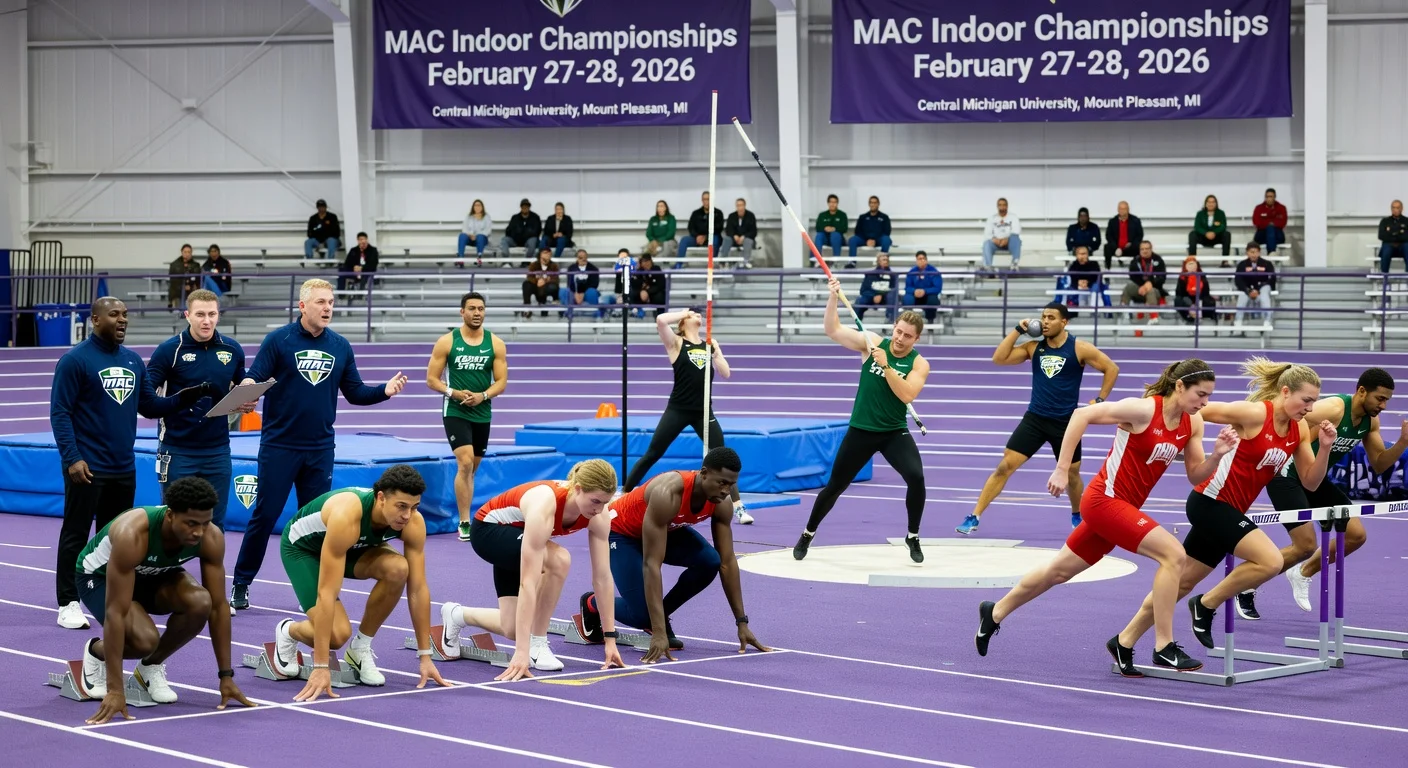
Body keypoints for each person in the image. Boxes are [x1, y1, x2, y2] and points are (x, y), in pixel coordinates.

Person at [974, 360, 1234, 676]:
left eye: (1208, 397)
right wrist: (1062, 468)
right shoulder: (1142, 411)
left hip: (1122, 511)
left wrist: (1218, 455)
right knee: (1174, 555)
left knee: (1058, 571)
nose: (1205, 403)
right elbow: (1081, 415)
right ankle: (1164, 645)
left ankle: (995, 612)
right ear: (1180, 386)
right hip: (1103, 501)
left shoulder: (1193, 424)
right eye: (1201, 395)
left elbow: (1196, 475)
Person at [1115, 358, 1337, 653]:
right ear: (1285, 392)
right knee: (1270, 561)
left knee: (1180, 584)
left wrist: (1325, 448)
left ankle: (1123, 641)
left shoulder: (1300, 431)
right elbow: (1197, 409)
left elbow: (1310, 482)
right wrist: (1149, 420)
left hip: (1230, 512)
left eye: (1314, 402)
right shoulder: (1254, 414)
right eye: (1305, 400)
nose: (1310, 408)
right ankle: (1206, 605)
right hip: (1210, 502)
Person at [230, 279, 409, 611]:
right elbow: (255, 375)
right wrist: (246, 387)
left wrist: (383, 391)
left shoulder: (340, 346)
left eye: (331, 302)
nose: (328, 308)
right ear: (303, 306)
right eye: (321, 302)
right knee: (265, 516)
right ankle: (241, 583)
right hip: (279, 447)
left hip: (320, 449)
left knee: (319, 524)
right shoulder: (278, 340)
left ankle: (317, 590)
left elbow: (355, 392)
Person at [51, 297, 214, 629]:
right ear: (95, 320)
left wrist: (188, 395)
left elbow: (150, 406)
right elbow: (61, 413)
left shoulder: (132, 361)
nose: (122, 320)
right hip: (87, 467)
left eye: (125, 315)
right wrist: (72, 458)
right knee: (76, 533)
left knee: (115, 538)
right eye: (114, 315)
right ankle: (68, 601)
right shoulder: (74, 361)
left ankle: (110, 593)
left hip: (122, 467)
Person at [74, 478, 254, 724]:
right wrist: (115, 690)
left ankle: (149, 666)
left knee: (202, 602)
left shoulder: (210, 537)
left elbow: (220, 607)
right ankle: (96, 652)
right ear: (170, 515)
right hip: (99, 576)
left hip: (153, 573)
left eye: (205, 523)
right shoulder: (133, 533)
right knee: (145, 640)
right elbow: (116, 612)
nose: (198, 532)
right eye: (191, 524)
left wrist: (226, 676)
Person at [271, 465, 449, 700]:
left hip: (354, 546)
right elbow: (327, 592)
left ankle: (360, 648)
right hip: (305, 550)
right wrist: (321, 666)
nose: (407, 515)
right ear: (381, 498)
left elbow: (417, 589)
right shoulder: (348, 514)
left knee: (399, 569)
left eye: (414, 507)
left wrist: (425, 655)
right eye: (401, 506)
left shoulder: (413, 522)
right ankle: (289, 631)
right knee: (336, 636)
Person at [440, 460, 625, 682]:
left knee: (513, 628)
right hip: (490, 532)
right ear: (578, 489)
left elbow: (603, 578)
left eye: (604, 503)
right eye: (594, 501)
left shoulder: (600, 516)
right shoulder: (545, 504)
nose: (597, 509)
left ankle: (456, 614)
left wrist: (610, 639)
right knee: (559, 560)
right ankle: (538, 644)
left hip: (520, 535)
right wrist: (522, 651)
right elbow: (528, 581)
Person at [581, 448, 770, 662]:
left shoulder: (721, 504)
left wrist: (742, 622)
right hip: (621, 534)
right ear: (704, 473)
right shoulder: (668, 493)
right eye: (722, 483)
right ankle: (592, 602)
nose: (727, 490)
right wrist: (659, 631)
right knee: (642, 616)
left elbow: (727, 562)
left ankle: (657, 618)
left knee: (710, 561)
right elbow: (652, 564)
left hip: (665, 528)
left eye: (731, 484)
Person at [794, 278, 931, 563]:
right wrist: (833, 297)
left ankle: (913, 535)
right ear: (893, 328)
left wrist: (886, 366)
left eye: (907, 336)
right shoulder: (871, 343)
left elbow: (906, 394)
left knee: (916, 478)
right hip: (861, 430)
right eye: (898, 331)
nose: (899, 339)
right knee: (835, 486)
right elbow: (832, 330)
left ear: (916, 339)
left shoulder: (919, 364)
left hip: (893, 432)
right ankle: (808, 532)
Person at [956, 303, 1119, 535]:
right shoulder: (1034, 348)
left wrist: (1100, 400)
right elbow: (999, 358)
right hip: (1035, 419)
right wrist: (1017, 330)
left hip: (1065, 422)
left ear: (1064, 322)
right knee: (1004, 466)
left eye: (1051, 317)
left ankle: (1076, 515)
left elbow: (1111, 368)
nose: (1045, 321)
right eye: (1043, 317)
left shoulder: (1080, 348)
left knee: (1072, 473)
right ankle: (974, 516)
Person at [1268, 368, 1407, 615]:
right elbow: (1287, 415)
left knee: (1355, 535)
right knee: (1304, 545)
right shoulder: (1333, 408)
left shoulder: (1370, 421)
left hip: (1315, 479)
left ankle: (1302, 572)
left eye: (1387, 400)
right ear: (1362, 391)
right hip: (1285, 476)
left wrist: (1403, 442)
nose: (1383, 406)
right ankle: (1247, 583)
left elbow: (1379, 464)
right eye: (1380, 398)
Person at [622, 308, 750, 523]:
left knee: (722, 455)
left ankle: (738, 508)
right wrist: (683, 312)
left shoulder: (709, 344)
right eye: (694, 314)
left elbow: (726, 373)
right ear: (682, 322)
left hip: (703, 411)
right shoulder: (676, 343)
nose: (698, 316)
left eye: (700, 314)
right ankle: (624, 493)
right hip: (678, 409)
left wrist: (716, 352)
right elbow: (661, 320)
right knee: (653, 452)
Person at [147, 289, 248, 535]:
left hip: (218, 450)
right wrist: (177, 402)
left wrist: (246, 398)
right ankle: (167, 573)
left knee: (215, 526)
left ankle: (211, 573)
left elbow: (242, 385)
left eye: (212, 314)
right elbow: (146, 395)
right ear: (187, 316)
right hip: (178, 449)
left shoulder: (233, 350)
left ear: (219, 315)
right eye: (200, 314)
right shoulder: (169, 350)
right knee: (173, 522)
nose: (207, 320)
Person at [425, 292, 509, 542]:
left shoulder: (495, 343)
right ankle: (464, 521)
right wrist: (453, 393)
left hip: (482, 411)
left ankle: (465, 511)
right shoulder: (447, 342)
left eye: (481, 308)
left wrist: (483, 395)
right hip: (455, 410)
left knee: (472, 469)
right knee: (464, 463)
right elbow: (431, 380)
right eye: (471, 308)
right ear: (462, 312)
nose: (477, 313)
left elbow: (502, 381)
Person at [1119, 241, 1168, 322]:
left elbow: (1162, 278)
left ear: (1151, 249)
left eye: (1147, 249)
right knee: (1128, 287)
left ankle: (1153, 318)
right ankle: (1125, 313)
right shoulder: (1136, 260)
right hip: (1140, 288)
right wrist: (1143, 285)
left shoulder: (1158, 260)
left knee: (1150, 291)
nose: (1144, 251)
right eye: (1142, 249)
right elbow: (1132, 276)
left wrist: (1150, 283)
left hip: (1155, 289)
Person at [1234, 242, 1276, 328]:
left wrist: (1258, 289)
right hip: (1248, 289)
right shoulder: (1242, 265)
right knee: (1242, 294)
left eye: (1256, 252)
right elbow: (1238, 280)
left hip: (1262, 288)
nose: (1254, 254)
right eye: (1251, 252)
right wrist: (1247, 290)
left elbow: (1272, 278)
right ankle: (1238, 320)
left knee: (1265, 293)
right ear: (1247, 253)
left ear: (1259, 252)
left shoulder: (1267, 264)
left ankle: (1267, 320)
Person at [678, 192, 724, 267]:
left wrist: (705, 236)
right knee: (684, 240)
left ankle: (711, 264)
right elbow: (691, 227)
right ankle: (679, 264)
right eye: (704, 199)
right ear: (702, 200)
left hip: (711, 237)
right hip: (697, 238)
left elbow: (719, 228)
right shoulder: (696, 213)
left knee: (715, 240)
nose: (706, 201)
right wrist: (697, 236)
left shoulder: (718, 213)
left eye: (708, 199)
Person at [849, 195, 893, 266]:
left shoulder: (884, 217)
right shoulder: (862, 217)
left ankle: (882, 262)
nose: (873, 204)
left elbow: (887, 231)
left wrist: (874, 240)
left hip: (879, 240)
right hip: (864, 239)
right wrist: (867, 240)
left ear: (878, 204)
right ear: (869, 204)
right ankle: (852, 262)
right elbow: (857, 231)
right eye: (871, 203)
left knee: (886, 240)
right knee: (852, 240)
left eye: (875, 203)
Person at [982, 198, 1022, 270]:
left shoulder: (1013, 217)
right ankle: (988, 267)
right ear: (997, 206)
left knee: (1016, 238)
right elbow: (987, 233)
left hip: (1009, 242)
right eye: (1000, 205)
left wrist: (1006, 239)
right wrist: (994, 240)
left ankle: (1014, 264)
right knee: (986, 243)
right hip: (996, 242)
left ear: (1007, 206)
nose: (1002, 207)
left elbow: (1016, 231)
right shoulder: (992, 218)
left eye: (1004, 205)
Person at [1174, 256, 1216, 324]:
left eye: (1193, 264)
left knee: (1209, 301)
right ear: (1186, 266)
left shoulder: (1202, 275)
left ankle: (1198, 315)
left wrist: (1197, 301)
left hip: (1200, 298)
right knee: (1179, 300)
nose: (1192, 266)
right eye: (1189, 264)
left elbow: (1206, 292)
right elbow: (1180, 293)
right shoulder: (1182, 277)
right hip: (1187, 299)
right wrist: (1191, 305)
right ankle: (1190, 315)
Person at [1103, 201, 1144, 270]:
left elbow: (1140, 235)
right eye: (1121, 209)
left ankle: (1136, 271)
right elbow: (1108, 236)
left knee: (1139, 247)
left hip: (1130, 248)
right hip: (1116, 248)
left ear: (1128, 210)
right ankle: (1107, 270)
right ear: (1118, 210)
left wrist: (1131, 243)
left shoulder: (1135, 220)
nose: (1122, 211)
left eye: (1124, 209)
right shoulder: (1112, 221)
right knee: (1107, 247)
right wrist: (1115, 247)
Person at [904, 251, 943, 322]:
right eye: (919, 259)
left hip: (928, 297)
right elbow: (907, 287)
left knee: (933, 299)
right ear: (916, 260)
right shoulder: (912, 271)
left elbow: (938, 288)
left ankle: (930, 321)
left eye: (923, 258)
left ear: (926, 260)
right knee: (907, 298)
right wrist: (914, 291)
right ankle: (907, 321)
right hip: (915, 297)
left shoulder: (933, 271)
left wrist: (925, 291)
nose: (922, 260)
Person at [558, 249, 601, 314]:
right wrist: (576, 293)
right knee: (563, 291)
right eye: (580, 257)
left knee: (592, 292)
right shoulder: (571, 268)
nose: (583, 259)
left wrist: (582, 293)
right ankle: (568, 313)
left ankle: (594, 313)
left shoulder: (593, 268)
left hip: (587, 291)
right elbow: (569, 283)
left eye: (585, 257)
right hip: (574, 292)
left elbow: (594, 284)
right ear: (577, 258)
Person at [719, 198, 757, 268]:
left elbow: (753, 231)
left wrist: (744, 236)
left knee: (748, 241)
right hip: (734, 240)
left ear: (745, 206)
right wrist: (734, 236)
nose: (740, 207)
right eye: (738, 205)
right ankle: (722, 261)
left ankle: (746, 261)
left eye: (741, 205)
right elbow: (728, 230)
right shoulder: (731, 216)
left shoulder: (751, 216)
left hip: (747, 239)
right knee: (727, 239)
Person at [500, 198, 542, 262]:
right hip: (515, 241)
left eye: (526, 206)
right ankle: (506, 261)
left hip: (528, 241)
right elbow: (508, 231)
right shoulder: (515, 218)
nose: (525, 207)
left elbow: (537, 231)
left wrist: (526, 232)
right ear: (521, 207)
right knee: (504, 240)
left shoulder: (535, 217)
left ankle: (526, 261)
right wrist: (516, 233)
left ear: (529, 207)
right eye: (523, 206)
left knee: (533, 240)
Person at [858, 253, 896, 322]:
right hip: (871, 296)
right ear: (878, 261)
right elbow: (863, 290)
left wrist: (881, 294)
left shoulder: (893, 275)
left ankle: (890, 321)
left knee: (892, 296)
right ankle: (857, 322)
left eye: (887, 260)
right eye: (884, 260)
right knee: (860, 300)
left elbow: (893, 289)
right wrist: (874, 295)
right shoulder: (870, 274)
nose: (886, 261)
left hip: (885, 298)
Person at [521, 248, 559, 318]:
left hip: (546, 287)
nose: (547, 255)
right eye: (545, 253)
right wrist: (537, 281)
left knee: (552, 287)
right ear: (540, 255)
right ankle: (527, 307)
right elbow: (529, 276)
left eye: (549, 253)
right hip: (536, 286)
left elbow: (556, 279)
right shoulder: (534, 265)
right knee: (526, 284)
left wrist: (544, 281)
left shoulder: (554, 266)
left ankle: (545, 303)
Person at [457, 199, 492, 266]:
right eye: (475, 205)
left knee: (480, 237)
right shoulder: (469, 216)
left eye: (479, 205)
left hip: (482, 239)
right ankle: (461, 259)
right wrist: (470, 235)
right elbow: (464, 228)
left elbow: (488, 230)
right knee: (462, 236)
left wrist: (477, 235)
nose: (477, 207)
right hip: (471, 238)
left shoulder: (486, 217)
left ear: (482, 207)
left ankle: (479, 258)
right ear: (473, 207)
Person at [813, 194, 847, 262]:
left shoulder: (842, 215)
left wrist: (834, 229)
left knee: (835, 234)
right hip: (825, 238)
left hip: (838, 239)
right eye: (831, 202)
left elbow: (844, 228)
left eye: (834, 202)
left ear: (837, 203)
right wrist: (825, 228)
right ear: (828, 203)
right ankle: (818, 261)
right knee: (819, 236)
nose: (832, 204)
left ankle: (836, 261)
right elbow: (818, 227)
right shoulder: (822, 215)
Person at [1252, 188, 1288, 254]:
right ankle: (1272, 253)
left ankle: (1271, 253)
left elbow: (1282, 223)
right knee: (1270, 228)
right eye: (1267, 196)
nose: (1269, 199)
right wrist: (1271, 223)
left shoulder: (1281, 208)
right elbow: (1256, 222)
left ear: (1275, 197)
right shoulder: (1259, 208)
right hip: (1262, 234)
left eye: (1271, 196)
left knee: (1271, 229)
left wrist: (1266, 221)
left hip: (1277, 235)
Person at [167, 244, 202, 309]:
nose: (187, 254)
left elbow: (197, 278)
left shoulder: (196, 265)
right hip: (177, 289)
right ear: (182, 252)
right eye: (185, 252)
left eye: (189, 252)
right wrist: (183, 286)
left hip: (192, 288)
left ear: (191, 253)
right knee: (177, 294)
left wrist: (190, 285)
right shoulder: (174, 265)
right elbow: (173, 279)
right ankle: (178, 309)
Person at [1376, 200, 1407, 273]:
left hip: (1403, 246)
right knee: (1386, 249)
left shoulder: (1406, 221)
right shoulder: (1385, 221)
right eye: (1393, 207)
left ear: (1402, 208)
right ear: (1391, 209)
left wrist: (1392, 234)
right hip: (1389, 245)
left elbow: (1406, 236)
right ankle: (1384, 275)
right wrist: (1398, 235)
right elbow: (1381, 236)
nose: (1395, 210)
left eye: (1398, 207)